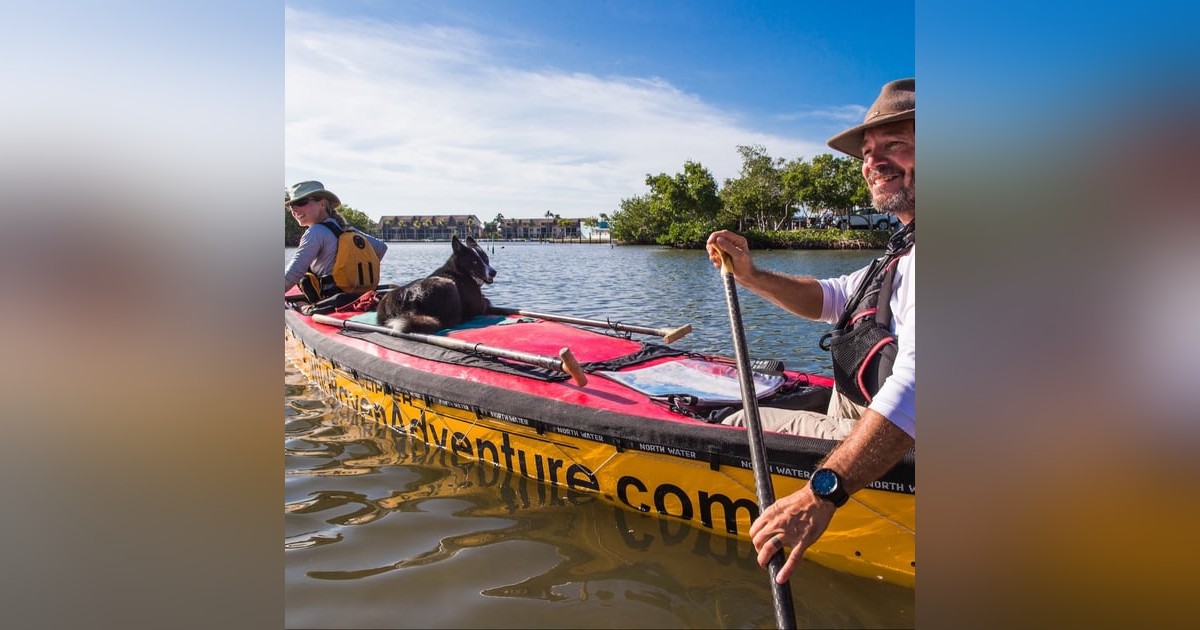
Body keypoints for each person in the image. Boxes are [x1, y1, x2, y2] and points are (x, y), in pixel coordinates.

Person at [705, 78, 916, 584]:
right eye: (868, 152)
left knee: (732, 421)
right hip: (862, 406)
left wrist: (821, 493)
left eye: (896, 145)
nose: (874, 162)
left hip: (896, 440)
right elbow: (834, 297)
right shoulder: (908, 244)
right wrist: (752, 275)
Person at [284, 180, 388, 302]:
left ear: (322, 204)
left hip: (333, 303)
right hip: (359, 298)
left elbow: (293, 274)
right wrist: (357, 276)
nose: (295, 210)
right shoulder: (346, 229)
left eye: (301, 202)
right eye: (292, 206)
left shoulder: (315, 232)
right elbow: (381, 248)